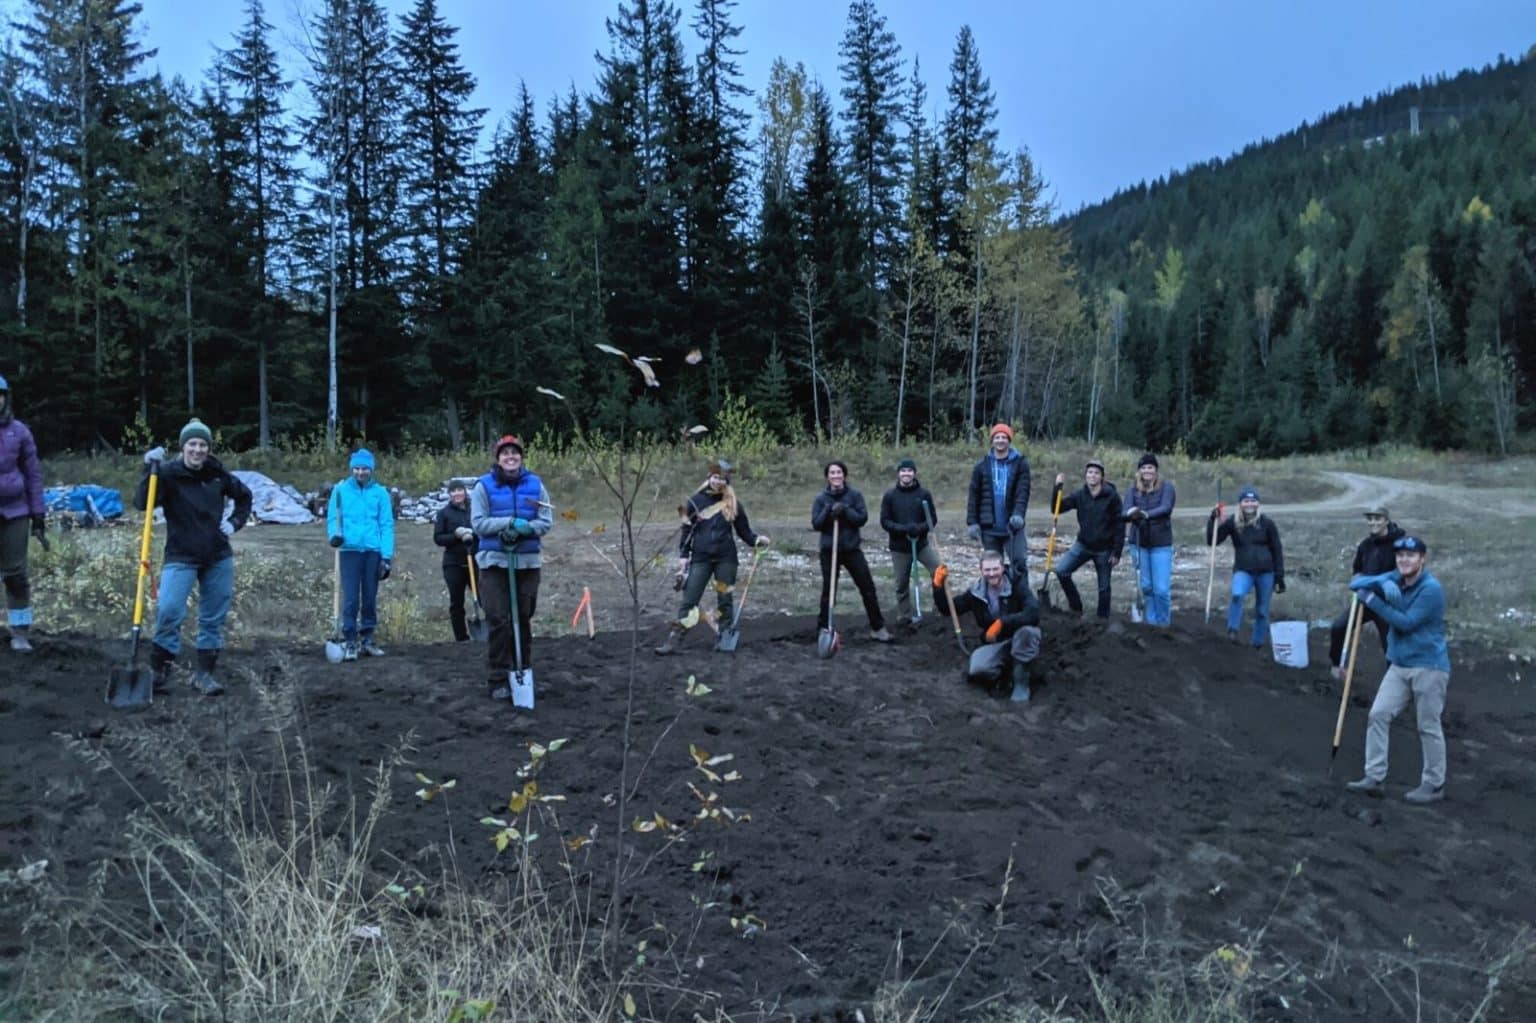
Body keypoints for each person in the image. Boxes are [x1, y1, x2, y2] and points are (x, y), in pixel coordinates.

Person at [134, 418, 253, 696]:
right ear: (183, 447)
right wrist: (147, 468)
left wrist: (234, 523)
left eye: (203, 444)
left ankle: (204, 675)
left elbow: (245, 497)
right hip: (181, 554)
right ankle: (160, 672)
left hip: (217, 555)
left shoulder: (217, 473)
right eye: (192, 444)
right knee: (169, 610)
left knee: (213, 617)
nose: (198, 450)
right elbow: (142, 502)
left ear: (208, 448)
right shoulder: (167, 473)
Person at [1345, 536, 1451, 804]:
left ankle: (1434, 784)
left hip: (1429, 667)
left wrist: (1372, 600)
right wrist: (1381, 581)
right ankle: (1374, 776)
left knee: (1428, 725)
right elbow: (1354, 583)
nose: (1404, 560)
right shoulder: (1396, 576)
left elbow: (1406, 622)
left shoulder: (1431, 589)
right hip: (1399, 665)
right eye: (1400, 555)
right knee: (1378, 714)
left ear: (1422, 559)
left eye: (1411, 555)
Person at [655, 458, 770, 654]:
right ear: (709, 477)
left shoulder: (733, 504)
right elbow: (686, 530)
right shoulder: (695, 501)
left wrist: (758, 540)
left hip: (726, 558)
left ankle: (724, 638)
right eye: (716, 477)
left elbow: (744, 532)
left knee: (724, 599)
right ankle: (674, 640)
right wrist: (684, 555)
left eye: (723, 479)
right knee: (690, 599)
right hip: (701, 558)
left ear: (727, 482)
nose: (719, 481)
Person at [471, 435, 553, 699]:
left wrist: (526, 528)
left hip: (527, 562)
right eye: (505, 453)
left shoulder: (536, 485)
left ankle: (523, 671)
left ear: (521, 457)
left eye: (514, 453)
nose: (510, 457)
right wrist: (508, 523)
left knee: (524, 619)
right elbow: (479, 523)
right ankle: (498, 678)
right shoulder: (484, 486)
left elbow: (546, 520)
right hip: (495, 562)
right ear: (498, 458)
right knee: (499, 620)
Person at [934, 551, 1043, 702]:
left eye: (995, 569)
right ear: (981, 570)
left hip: (1020, 637)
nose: (991, 574)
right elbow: (948, 609)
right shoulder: (976, 593)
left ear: (1002, 568)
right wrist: (938, 586)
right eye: (987, 570)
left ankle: (1021, 684)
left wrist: (1002, 623)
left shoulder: (1017, 584)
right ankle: (1006, 675)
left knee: (1028, 633)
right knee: (977, 669)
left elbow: (1033, 613)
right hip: (997, 642)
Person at [811, 460, 891, 643]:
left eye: (839, 472)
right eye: (832, 473)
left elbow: (861, 518)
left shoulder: (854, 496)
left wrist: (845, 509)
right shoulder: (821, 498)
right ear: (827, 477)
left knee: (867, 587)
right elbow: (816, 524)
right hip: (829, 551)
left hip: (851, 549)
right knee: (829, 591)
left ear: (844, 475)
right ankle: (824, 629)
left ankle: (878, 628)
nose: (836, 476)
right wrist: (828, 511)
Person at [326, 449, 395, 660]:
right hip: (349, 550)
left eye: (364, 468)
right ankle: (349, 640)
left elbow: (386, 525)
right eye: (356, 468)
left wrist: (386, 556)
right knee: (350, 599)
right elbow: (332, 519)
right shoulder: (340, 491)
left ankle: (367, 638)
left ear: (371, 469)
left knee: (369, 597)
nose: (360, 472)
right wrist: (334, 536)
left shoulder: (380, 493)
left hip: (372, 551)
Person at [1329, 505, 1405, 680]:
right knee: (1338, 627)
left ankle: (1394, 683)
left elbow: (1401, 573)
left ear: (1386, 520)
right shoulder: (1366, 545)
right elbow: (1357, 573)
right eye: (1370, 519)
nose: (1373, 523)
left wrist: (1386, 582)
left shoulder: (1399, 543)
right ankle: (1337, 666)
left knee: (1390, 645)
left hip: (1387, 604)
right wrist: (1364, 582)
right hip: (1364, 599)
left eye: (1378, 518)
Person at [1205, 486, 1285, 648]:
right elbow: (1213, 540)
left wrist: (1279, 576)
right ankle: (1232, 630)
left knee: (1262, 611)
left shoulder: (1267, 523)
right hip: (1243, 570)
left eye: (1253, 501)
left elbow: (1277, 549)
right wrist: (1212, 520)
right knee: (1237, 594)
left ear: (1258, 503)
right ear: (1240, 503)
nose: (1250, 504)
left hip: (1266, 572)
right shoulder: (1233, 522)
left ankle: (1257, 643)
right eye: (1246, 501)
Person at [0, 374, 45, 653]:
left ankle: (19, 632)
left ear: (5, 398)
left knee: (16, 575)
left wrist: (38, 514)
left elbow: (33, 475)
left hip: (15, 513)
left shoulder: (20, 432)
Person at [1050, 460, 1124, 618]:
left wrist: (1117, 552)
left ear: (1102, 477)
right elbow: (1057, 508)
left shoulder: (1112, 496)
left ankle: (1102, 620)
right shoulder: (1080, 495)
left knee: (1104, 588)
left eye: (1096, 473)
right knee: (1061, 571)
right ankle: (1076, 607)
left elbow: (1120, 524)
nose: (1093, 475)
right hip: (1083, 545)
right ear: (1085, 476)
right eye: (1090, 472)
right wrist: (1058, 487)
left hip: (1105, 549)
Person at [879, 457, 940, 627]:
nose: (906, 474)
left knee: (939, 571)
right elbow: (885, 521)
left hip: (921, 544)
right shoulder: (890, 496)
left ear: (914, 473)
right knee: (901, 583)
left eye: (910, 470)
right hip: (899, 547)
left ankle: (939, 608)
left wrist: (919, 529)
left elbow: (932, 519)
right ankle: (904, 615)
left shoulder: (923, 494)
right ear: (899, 474)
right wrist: (904, 529)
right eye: (903, 471)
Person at [966, 423, 1031, 575]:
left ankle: (1022, 598)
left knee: (1019, 565)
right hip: (989, 529)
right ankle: (996, 598)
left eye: (1004, 437)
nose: (1000, 440)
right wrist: (972, 522)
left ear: (1009, 440)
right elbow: (973, 496)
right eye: (997, 437)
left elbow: (1023, 492)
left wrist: (1019, 515)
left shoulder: (1020, 463)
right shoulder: (981, 466)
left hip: (1012, 527)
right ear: (992, 440)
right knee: (992, 569)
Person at [1123, 453, 1176, 626]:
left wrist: (1145, 514)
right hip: (1138, 543)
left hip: (1160, 543)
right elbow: (1125, 512)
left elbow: (1165, 508)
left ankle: (1163, 624)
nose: (1147, 471)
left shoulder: (1166, 488)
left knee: (1161, 589)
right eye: (1144, 468)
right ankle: (1151, 624)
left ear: (1156, 470)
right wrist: (1131, 514)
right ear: (1139, 471)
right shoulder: (1132, 490)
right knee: (1146, 587)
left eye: (1150, 467)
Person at [432, 480, 477, 642]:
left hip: (475, 561)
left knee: (485, 598)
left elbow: (484, 528)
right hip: (453, 563)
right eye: (453, 491)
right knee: (457, 602)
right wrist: (455, 536)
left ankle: (493, 632)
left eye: (460, 490)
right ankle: (461, 637)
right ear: (449, 494)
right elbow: (438, 538)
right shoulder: (444, 513)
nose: (457, 493)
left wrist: (473, 534)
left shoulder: (475, 510)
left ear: (465, 492)